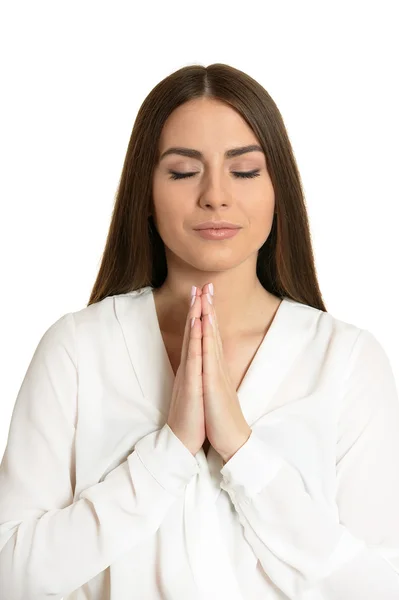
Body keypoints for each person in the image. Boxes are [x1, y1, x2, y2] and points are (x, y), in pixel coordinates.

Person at [1, 63, 398, 600]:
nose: (215, 195)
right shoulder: (77, 349)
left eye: (245, 171)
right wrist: (168, 453)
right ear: (145, 190)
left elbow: (377, 586)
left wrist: (241, 450)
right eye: (184, 171)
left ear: (279, 188)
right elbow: (11, 575)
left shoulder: (346, 360)